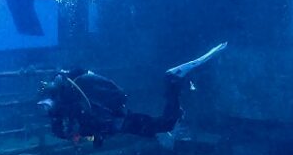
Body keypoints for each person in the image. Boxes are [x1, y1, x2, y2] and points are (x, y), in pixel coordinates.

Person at [38, 43, 227, 147]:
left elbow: (85, 126)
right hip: (119, 121)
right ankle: (174, 95)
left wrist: (89, 136)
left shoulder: (71, 108)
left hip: (121, 122)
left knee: (164, 124)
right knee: (159, 127)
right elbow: (83, 131)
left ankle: (173, 80)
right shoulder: (69, 105)